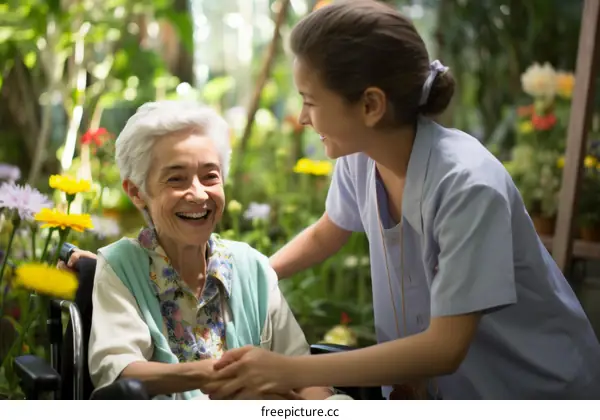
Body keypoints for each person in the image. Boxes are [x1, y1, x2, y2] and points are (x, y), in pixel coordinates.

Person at [199, 1, 600, 400]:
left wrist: (288, 368)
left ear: (371, 105)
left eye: (311, 101)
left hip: (534, 392)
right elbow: (328, 232)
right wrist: (249, 278)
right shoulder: (361, 155)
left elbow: (444, 349)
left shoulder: (468, 187)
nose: (303, 117)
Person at [82, 100, 337, 400]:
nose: (199, 194)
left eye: (210, 176)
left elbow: (305, 375)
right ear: (137, 192)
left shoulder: (251, 267)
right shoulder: (120, 267)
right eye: (176, 179)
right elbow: (121, 372)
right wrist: (228, 375)